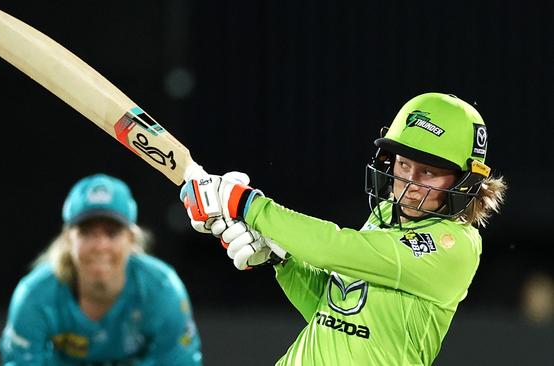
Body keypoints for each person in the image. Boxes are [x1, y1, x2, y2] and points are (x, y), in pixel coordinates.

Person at [180, 92, 506, 365]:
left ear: (466, 181)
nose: (410, 183)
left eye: (428, 173)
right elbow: (333, 312)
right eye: (404, 165)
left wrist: (247, 205)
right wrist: (282, 261)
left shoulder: (455, 246)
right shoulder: (382, 216)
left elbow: (332, 249)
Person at [0, 173, 202, 365]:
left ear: (131, 239)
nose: (100, 245)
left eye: (112, 233)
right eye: (86, 233)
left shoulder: (162, 290)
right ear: (68, 239)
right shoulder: (35, 295)